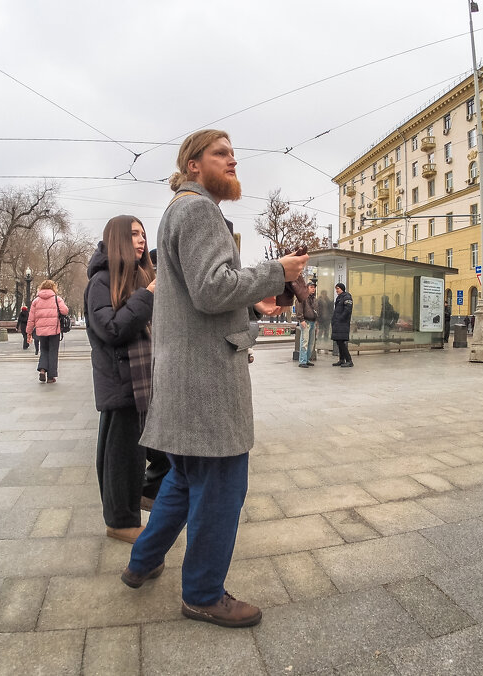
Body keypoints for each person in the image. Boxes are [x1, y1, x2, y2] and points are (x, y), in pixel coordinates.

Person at [123, 129, 308, 629]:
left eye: (233, 154)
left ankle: (142, 563)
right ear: (193, 164)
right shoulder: (199, 210)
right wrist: (277, 271)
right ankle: (203, 594)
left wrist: (253, 305)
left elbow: (198, 299)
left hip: (185, 377)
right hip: (206, 382)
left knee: (184, 480)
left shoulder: (178, 209)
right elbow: (211, 289)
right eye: (220, 154)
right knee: (222, 486)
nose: (232, 161)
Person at [86, 215, 170, 543]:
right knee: (121, 459)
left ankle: (147, 491)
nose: (141, 240)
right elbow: (111, 329)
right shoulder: (101, 281)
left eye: (143, 234)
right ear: (118, 239)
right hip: (122, 384)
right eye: (134, 234)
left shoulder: (142, 276)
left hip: (149, 381)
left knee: (164, 448)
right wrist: (146, 295)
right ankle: (120, 523)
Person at [26, 282, 67, 383]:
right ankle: (51, 377)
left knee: (44, 350)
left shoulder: (36, 301)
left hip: (41, 331)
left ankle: (42, 370)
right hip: (54, 330)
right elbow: (65, 311)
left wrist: (29, 332)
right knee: (53, 352)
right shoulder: (57, 299)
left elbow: (31, 319)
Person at [295, 281, 318, 368]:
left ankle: (307, 359)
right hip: (306, 321)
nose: (313, 289)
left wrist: (316, 320)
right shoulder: (302, 297)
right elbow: (299, 308)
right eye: (311, 287)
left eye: (314, 287)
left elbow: (316, 310)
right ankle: (303, 361)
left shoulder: (313, 298)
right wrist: (301, 319)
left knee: (311, 342)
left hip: (312, 321)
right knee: (305, 341)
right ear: (307, 288)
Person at [332, 282, 353, 367]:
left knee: (341, 342)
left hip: (342, 323)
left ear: (342, 289)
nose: (336, 290)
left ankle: (349, 360)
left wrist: (340, 318)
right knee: (339, 341)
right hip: (338, 323)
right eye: (336, 289)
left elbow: (348, 310)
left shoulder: (347, 297)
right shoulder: (340, 298)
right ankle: (341, 360)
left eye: (338, 288)